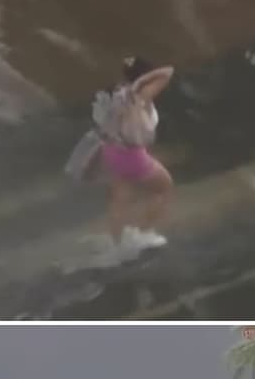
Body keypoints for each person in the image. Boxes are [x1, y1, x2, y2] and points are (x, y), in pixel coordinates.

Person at [68, 56, 175, 252]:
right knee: (163, 187)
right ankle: (144, 234)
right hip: (131, 155)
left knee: (120, 200)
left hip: (111, 151)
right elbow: (168, 72)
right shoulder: (140, 94)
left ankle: (116, 244)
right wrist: (142, 81)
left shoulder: (117, 93)